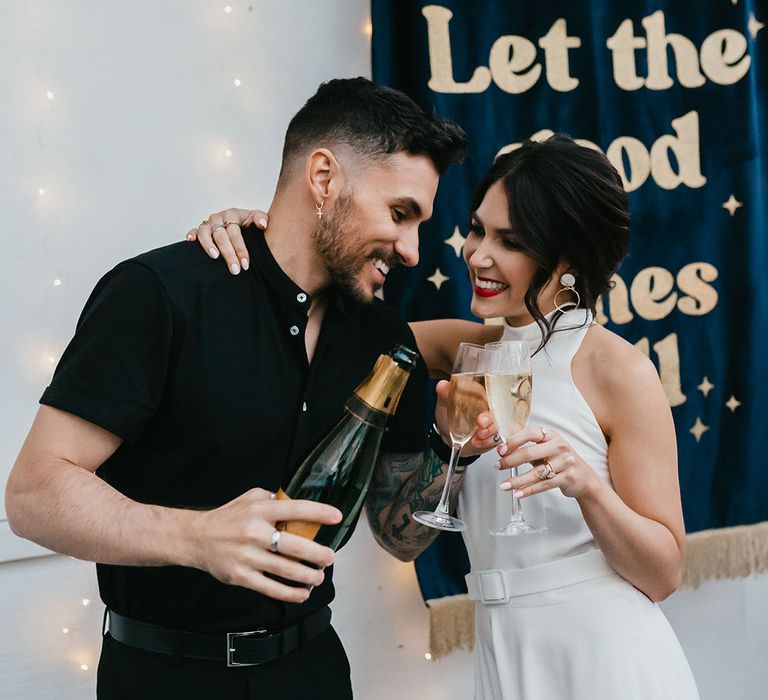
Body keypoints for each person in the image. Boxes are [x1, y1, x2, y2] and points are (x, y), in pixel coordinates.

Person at [4, 78, 472, 700]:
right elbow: (33, 493)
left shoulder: (384, 336)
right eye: (399, 213)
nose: (413, 251)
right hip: (161, 678)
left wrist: (455, 446)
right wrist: (195, 538)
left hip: (314, 673)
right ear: (325, 178)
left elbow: (403, 536)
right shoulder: (159, 294)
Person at [194, 134, 700, 699]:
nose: (478, 255)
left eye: (510, 241)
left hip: (604, 656)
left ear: (570, 258)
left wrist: (589, 489)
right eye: (479, 229)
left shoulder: (619, 370)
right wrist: (259, 232)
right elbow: (331, 322)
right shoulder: (467, 350)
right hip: (501, 650)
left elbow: (664, 575)